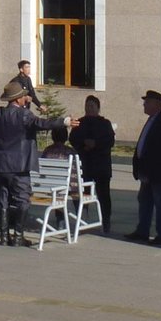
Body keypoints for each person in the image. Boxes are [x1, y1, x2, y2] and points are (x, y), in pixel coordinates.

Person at [0, 81, 70, 247]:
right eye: (24, 96)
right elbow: (43, 124)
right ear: (18, 99)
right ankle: (18, 236)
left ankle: (4, 237)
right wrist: (64, 121)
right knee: (23, 199)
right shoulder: (25, 116)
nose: (26, 98)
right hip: (19, 166)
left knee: (3, 199)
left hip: (0, 165)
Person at [126, 89, 161, 246]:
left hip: (159, 171)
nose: (144, 104)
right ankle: (142, 231)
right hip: (147, 170)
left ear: (157, 104)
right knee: (145, 201)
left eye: (147, 102)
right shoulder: (152, 119)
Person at [69, 94, 116, 235]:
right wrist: (84, 144)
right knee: (82, 194)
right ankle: (82, 219)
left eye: (92, 106)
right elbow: (73, 139)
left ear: (98, 108)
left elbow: (110, 141)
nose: (89, 108)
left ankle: (106, 220)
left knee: (104, 195)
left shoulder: (105, 123)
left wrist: (95, 144)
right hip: (85, 164)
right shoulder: (79, 123)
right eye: (87, 106)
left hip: (101, 165)